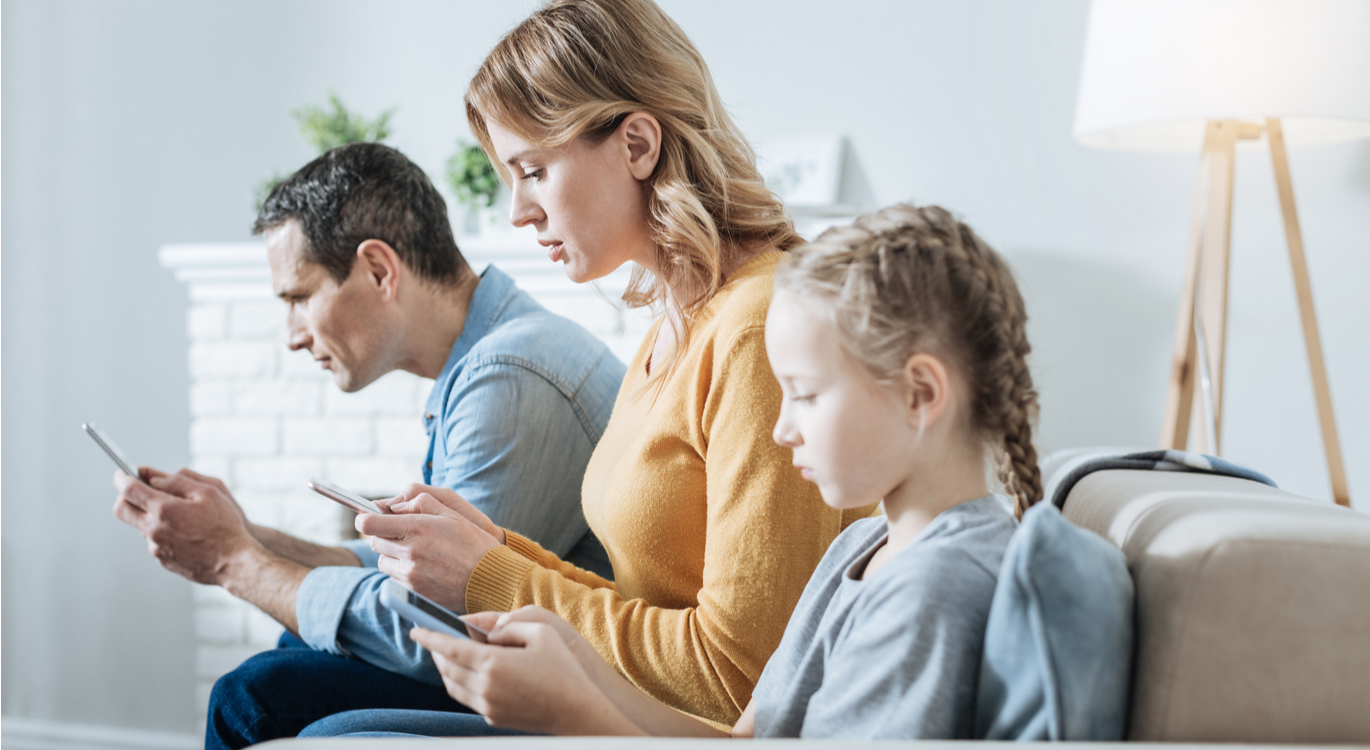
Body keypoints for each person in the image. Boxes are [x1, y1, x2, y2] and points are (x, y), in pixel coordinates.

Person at [296, 0, 877, 739]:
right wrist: (494, 550)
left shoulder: (757, 330)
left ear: (637, 144)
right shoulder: (677, 323)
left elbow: (740, 678)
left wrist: (491, 577)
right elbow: (648, 600)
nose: (518, 212)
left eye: (533, 170)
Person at [395, 203, 1045, 739]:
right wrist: (573, 661)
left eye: (808, 395)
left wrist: (576, 713)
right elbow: (742, 740)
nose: (782, 428)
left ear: (922, 394)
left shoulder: (937, 588)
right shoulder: (862, 545)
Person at [109, 142, 625, 750]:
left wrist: (233, 563)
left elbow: (433, 626)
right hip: (518, 653)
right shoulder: (486, 360)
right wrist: (242, 533)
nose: (293, 337)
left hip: (581, 685)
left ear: (379, 270)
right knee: (292, 650)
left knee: (254, 696)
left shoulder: (511, 375)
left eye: (299, 298)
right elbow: (408, 571)